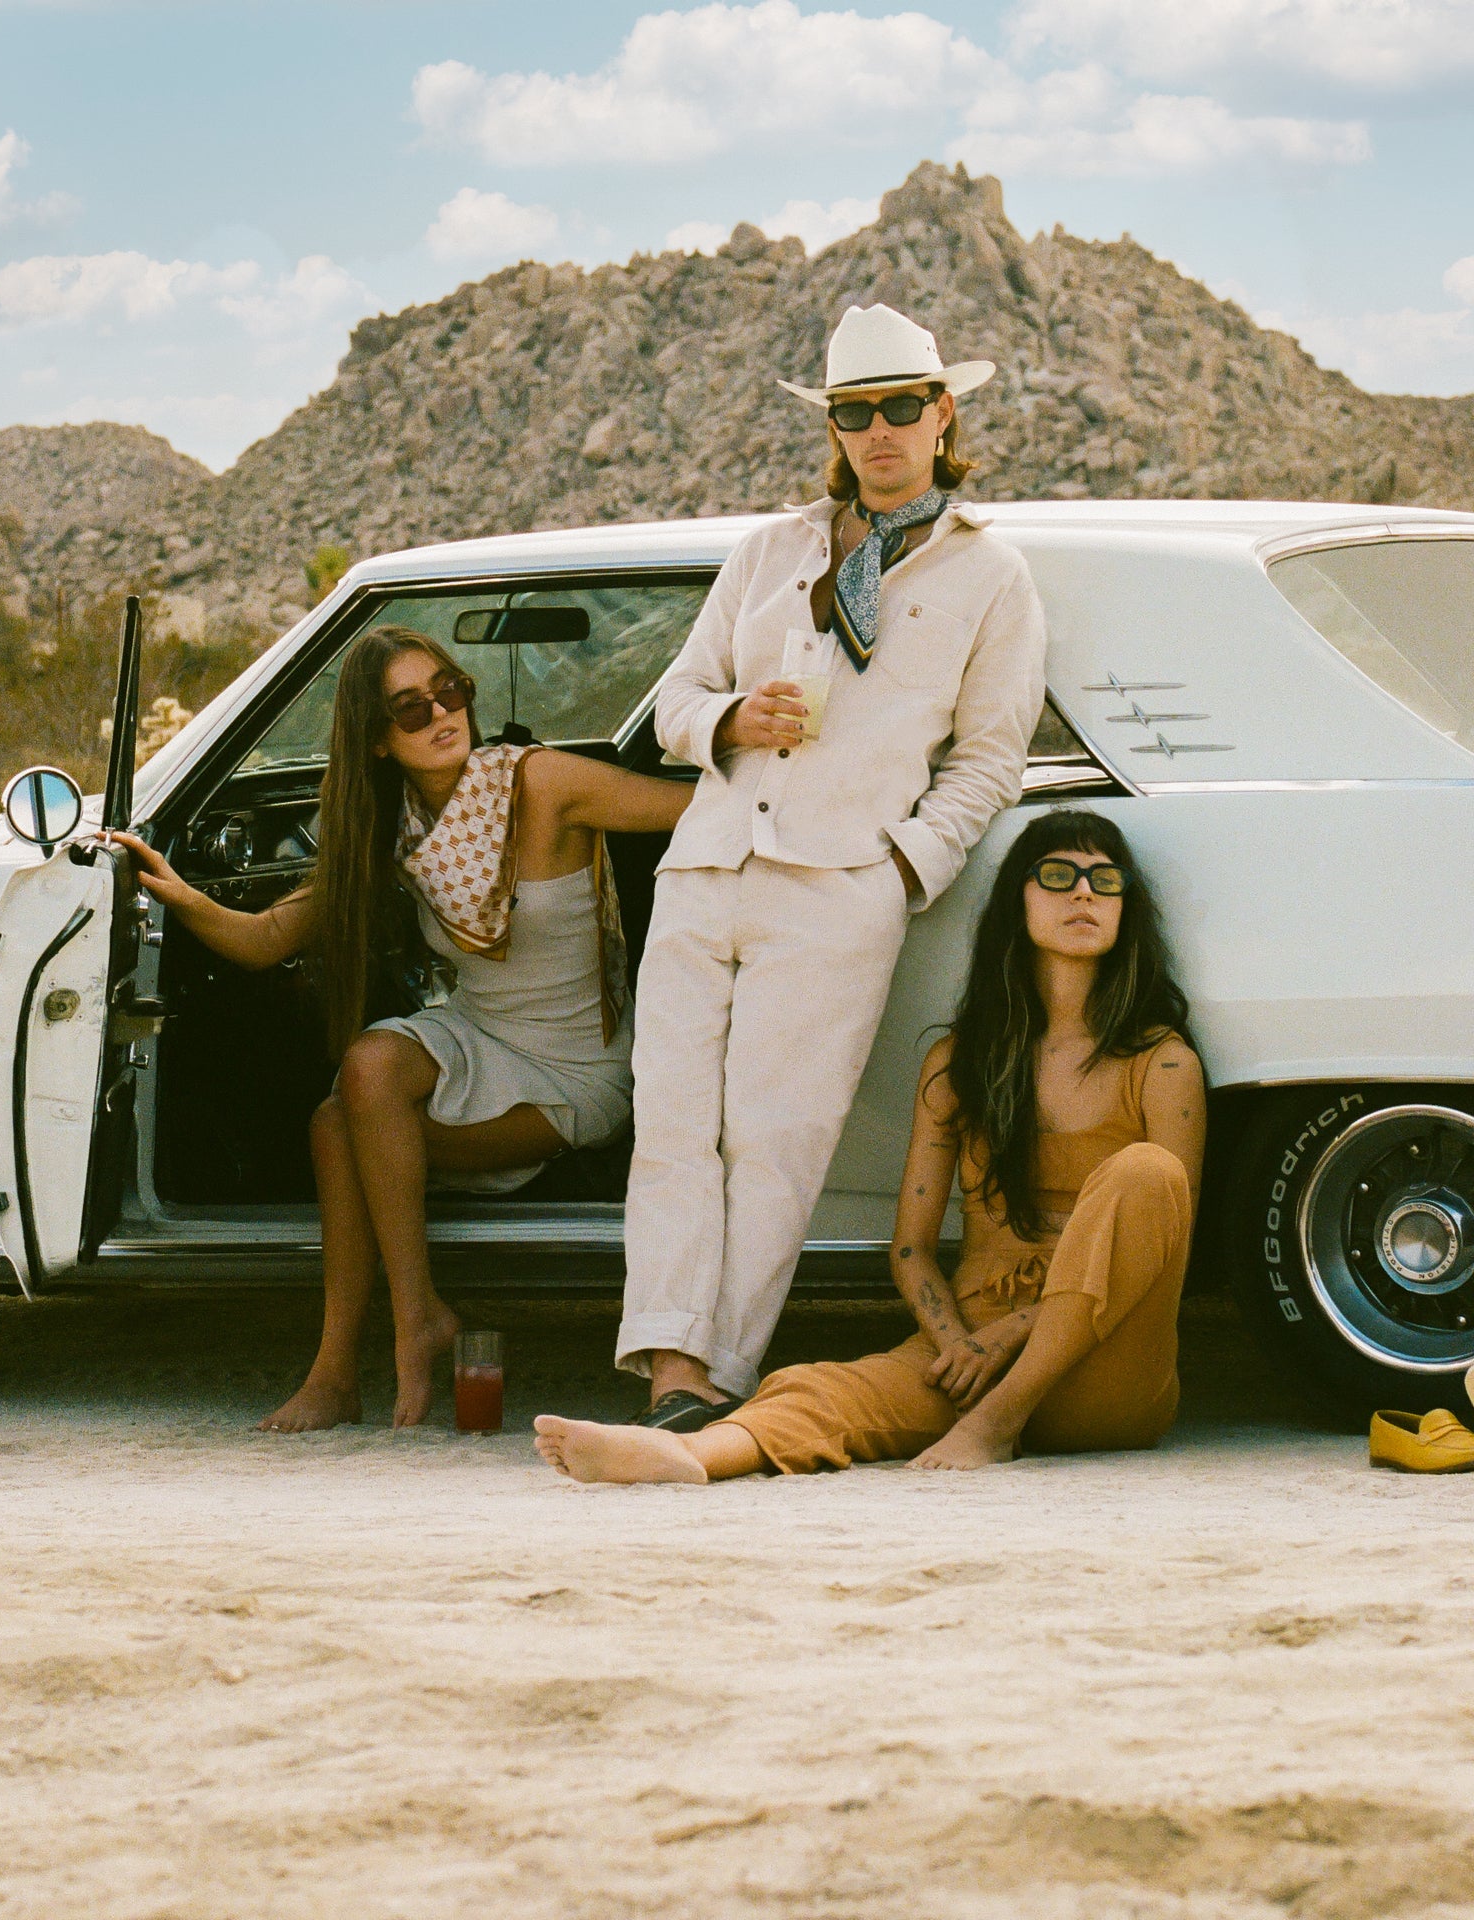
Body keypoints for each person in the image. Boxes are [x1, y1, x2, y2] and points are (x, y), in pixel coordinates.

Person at [612, 301, 1048, 1431]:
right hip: (709, 863)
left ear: (945, 413)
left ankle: (718, 1379)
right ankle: (666, 1360)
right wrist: (732, 719)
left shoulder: (989, 577)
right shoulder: (773, 551)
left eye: (904, 407)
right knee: (669, 1119)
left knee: (776, 1134)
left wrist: (899, 871)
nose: (881, 431)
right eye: (857, 413)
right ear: (837, 427)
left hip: (841, 887)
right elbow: (672, 705)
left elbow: (991, 759)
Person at [115, 625, 691, 1431]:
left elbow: (696, 807)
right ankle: (387, 1335)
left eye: (450, 690)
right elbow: (265, 940)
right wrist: (173, 892)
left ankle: (358, 1356)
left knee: (338, 1129)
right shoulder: (394, 835)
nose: (441, 714)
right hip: (478, 1031)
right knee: (365, 1072)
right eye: (410, 708)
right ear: (377, 741)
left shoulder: (543, 783)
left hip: (573, 1069)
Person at [534, 809, 1206, 1483]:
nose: (1084, 892)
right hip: (965, 1352)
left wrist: (1005, 1339)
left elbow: (1164, 1237)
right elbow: (911, 1248)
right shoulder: (960, 1064)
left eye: (1104, 879)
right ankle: (687, 1456)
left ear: (1126, 908)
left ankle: (993, 1428)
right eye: (1058, 875)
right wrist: (954, 1343)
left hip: (1106, 1367)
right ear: (1017, 902)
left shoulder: (1163, 1065)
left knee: (1147, 1174)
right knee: (819, 1390)